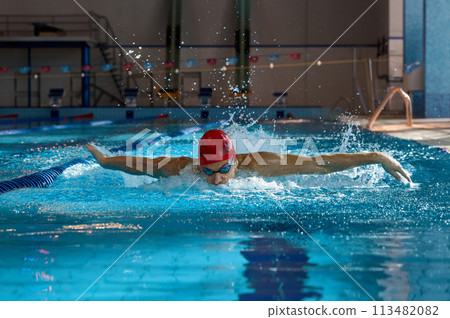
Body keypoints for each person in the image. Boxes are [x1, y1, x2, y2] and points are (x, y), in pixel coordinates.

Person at [85, 129, 411, 186]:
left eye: (223, 170)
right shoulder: (183, 169)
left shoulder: (260, 164)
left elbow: (319, 163)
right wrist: (102, 160)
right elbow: (138, 165)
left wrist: (375, 156)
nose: (215, 180)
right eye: (208, 172)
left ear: (236, 162)